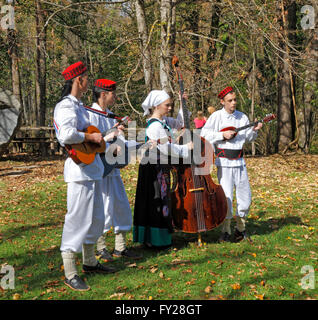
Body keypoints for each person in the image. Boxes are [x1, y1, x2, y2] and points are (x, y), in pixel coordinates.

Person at [53, 62, 119, 292]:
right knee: (77, 219)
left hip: (92, 170)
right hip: (79, 172)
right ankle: (70, 272)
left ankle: (90, 262)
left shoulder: (80, 106)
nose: (88, 82)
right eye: (85, 78)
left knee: (96, 218)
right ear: (78, 80)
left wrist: (101, 138)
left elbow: (90, 134)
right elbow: (66, 134)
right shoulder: (65, 107)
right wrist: (89, 138)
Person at [87, 78, 141, 261]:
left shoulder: (110, 115)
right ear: (104, 94)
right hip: (98, 169)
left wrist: (141, 144)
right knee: (100, 208)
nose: (115, 97)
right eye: (113, 94)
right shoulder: (89, 115)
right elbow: (88, 142)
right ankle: (101, 247)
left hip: (112, 168)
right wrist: (110, 137)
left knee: (121, 206)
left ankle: (120, 247)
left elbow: (122, 143)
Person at [200, 86, 262, 242]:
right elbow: (204, 134)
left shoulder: (242, 117)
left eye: (235, 100)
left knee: (245, 198)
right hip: (224, 163)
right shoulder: (216, 117)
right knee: (226, 197)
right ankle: (226, 230)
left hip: (240, 163)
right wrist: (222, 134)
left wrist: (254, 130)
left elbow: (248, 138)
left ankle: (240, 229)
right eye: (230, 100)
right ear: (222, 102)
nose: (233, 103)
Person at [133, 90, 193, 248]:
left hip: (160, 166)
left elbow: (180, 123)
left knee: (163, 199)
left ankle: (159, 239)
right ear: (156, 106)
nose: (169, 107)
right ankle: (156, 241)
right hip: (153, 168)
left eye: (170, 105)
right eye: (167, 105)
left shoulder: (164, 121)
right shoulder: (154, 126)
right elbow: (166, 148)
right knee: (156, 202)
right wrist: (186, 148)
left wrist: (182, 103)